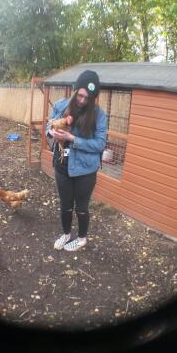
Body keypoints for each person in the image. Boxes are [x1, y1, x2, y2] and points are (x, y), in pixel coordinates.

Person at [46, 70, 107, 251]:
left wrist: (72, 139)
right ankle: (66, 235)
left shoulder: (98, 115)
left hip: (85, 170)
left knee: (81, 207)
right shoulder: (60, 105)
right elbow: (47, 126)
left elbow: (100, 144)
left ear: (93, 98)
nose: (82, 100)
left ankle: (81, 239)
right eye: (80, 95)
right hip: (62, 165)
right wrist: (51, 133)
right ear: (74, 91)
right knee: (65, 205)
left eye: (87, 98)